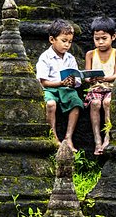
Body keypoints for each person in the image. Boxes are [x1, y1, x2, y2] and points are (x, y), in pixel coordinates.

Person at [36, 19, 84, 150]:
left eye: (70, 42)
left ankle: (68, 137)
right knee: (50, 104)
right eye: (64, 41)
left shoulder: (70, 58)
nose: (67, 45)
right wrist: (60, 82)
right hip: (50, 89)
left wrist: (73, 82)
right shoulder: (45, 57)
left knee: (76, 102)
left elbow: (77, 80)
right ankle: (54, 137)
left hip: (66, 89)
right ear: (52, 39)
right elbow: (43, 82)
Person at [84, 16, 116, 155]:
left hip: (111, 88)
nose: (100, 42)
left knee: (107, 102)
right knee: (95, 103)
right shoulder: (90, 54)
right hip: (95, 88)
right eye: (97, 39)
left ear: (113, 37)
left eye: (104, 38)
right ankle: (97, 140)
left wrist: (105, 78)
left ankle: (108, 136)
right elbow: (87, 76)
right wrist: (91, 79)